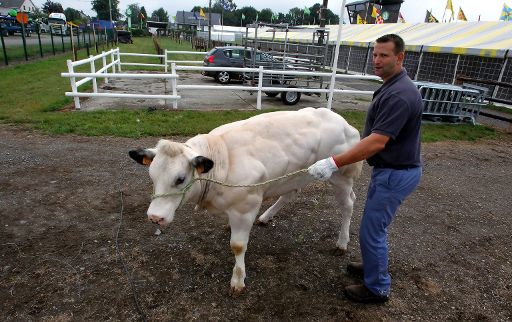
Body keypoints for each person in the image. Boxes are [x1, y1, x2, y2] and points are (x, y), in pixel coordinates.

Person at [308, 34, 423, 304]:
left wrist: (333, 162)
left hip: (396, 174)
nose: (377, 60)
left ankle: (377, 287)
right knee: (373, 227)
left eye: (384, 55)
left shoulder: (400, 95)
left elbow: (376, 142)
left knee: (372, 231)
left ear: (400, 57)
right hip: (390, 171)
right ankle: (373, 267)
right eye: (375, 54)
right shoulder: (393, 85)